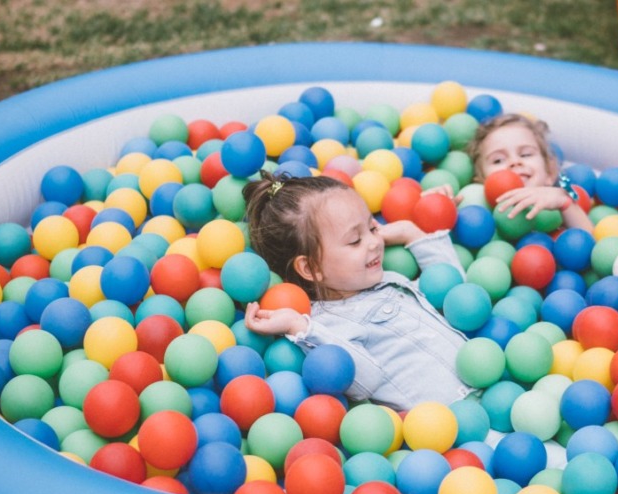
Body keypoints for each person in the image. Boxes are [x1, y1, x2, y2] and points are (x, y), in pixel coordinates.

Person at [241, 173, 473, 412]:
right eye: (355, 241)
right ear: (311, 267)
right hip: (449, 422)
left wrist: (412, 233)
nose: (374, 243)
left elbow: (458, 298)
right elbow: (364, 381)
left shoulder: (388, 279)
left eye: (373, 228)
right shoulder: (328, 323)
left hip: (489, 388)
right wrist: (298, 326)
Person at [469, 113, 594, 233]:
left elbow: (592, 244)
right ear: (481, 182)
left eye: (525, 154)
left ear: (550, 172)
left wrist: (566, 205)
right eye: (498, 160)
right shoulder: (478, 219)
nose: (515, 161)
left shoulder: (558, 215)